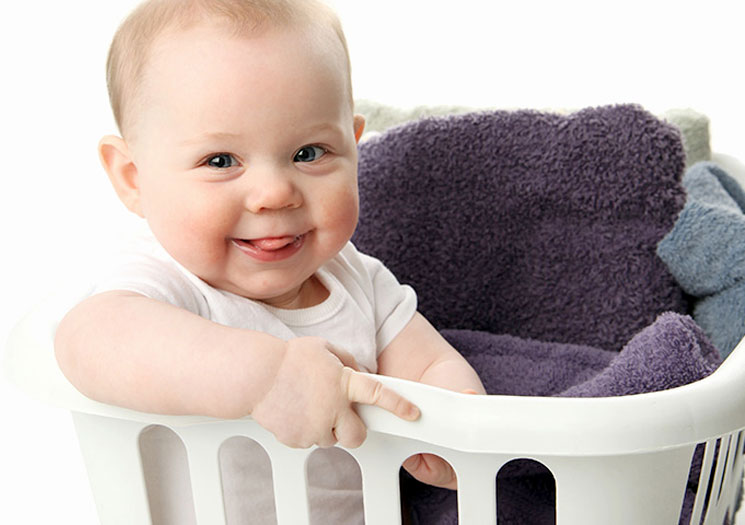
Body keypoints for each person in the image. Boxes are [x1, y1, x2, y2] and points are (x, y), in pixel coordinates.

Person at [53, 0, 486, 522]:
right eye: (220, 161)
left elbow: (430, 366)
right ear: (133, 177)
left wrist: (459, 438)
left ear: (354, 147)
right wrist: (266, 376)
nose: (274, 193)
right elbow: (89, 340)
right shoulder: (164, 283)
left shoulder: (358, 280)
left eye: (309, 152)